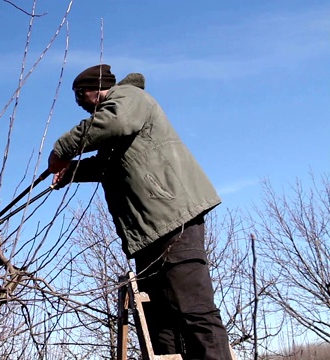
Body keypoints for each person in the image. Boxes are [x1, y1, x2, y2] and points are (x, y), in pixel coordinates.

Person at [48, 64, 232, 359]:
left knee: (194, 311)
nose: (80, 106)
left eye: (79, 97)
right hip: (148, 234)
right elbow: (108, 165)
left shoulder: (129, 98)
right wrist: (70, 171)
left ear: (92, 90)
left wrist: (62, 149)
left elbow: (114, 123)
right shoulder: (119, 116)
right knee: (157, 322)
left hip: (174, 221)